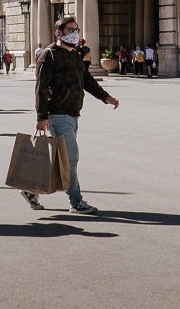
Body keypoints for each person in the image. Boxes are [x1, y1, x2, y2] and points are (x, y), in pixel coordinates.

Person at [25, 16, 120, 214]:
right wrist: (41, 117)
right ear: (58, 32)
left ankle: (31, 189)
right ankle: (76, 201)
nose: (74, 33)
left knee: (61, 157)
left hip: (73, 112)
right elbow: (41, 88)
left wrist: (105, 97)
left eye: (76, 29)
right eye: (70, 30)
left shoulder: (74, 55)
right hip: (58, 113)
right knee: (71, 158)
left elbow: (86, 79)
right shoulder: (48, 55)